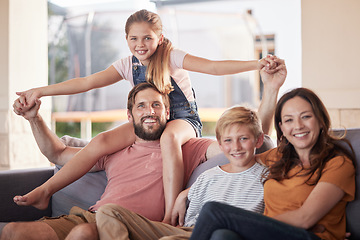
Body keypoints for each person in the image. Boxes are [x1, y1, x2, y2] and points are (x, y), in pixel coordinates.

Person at [14, 9, 278, 223]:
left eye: (147, 38)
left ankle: (170, 213)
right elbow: (86, 82)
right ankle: (45, 191)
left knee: (169, 140)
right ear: (126, 40)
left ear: (159, 38)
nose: (141, 45)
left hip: (181, 120)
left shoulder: (172, 57)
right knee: (101, 141)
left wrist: (257, 64)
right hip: (151, 120)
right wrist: (41, 91)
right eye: (134, 39)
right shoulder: (127, 64)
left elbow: (213, 67)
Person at [2, 82, 216, 240]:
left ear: (167, 112)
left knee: (82, 236)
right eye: (141, 106)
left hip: (132, 226)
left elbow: (229, 148)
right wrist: (34, 118)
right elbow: (57, 154)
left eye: (156, 105)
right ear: (129, 116)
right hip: (91, 216)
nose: (149, 111)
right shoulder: (113, 151)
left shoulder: (184, 148)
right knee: (13, 232)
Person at [189, 88, 356, 240]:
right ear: (282, 128)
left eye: (306, 116)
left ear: (320, 120)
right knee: (222, 235)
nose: (298, 126)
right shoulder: (278, 157)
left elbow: (304, 219)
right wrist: (189, 191)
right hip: (270, 235)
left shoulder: (337, 164)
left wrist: (249, 222)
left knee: (213, 212)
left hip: (310, 236)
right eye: (289, 120)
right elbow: (242, 155)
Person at [93, 105, 267, 240]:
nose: (236, 147)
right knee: (108, 211)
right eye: (229, 140)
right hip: (186, 232)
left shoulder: (267, 178)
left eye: (243, 139)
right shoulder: (207, 177)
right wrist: (184, 194)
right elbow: (187, 222)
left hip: (222, 234)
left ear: (258, 140)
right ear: (220, 145)